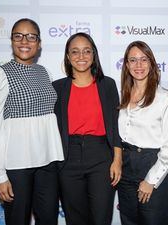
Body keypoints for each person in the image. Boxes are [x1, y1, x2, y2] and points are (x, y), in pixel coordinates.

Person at [0, 18, 64, 225]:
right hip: (17, 166)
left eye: (31, 36)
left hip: (48, 162)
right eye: (18, 36)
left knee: (49, 220)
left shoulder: (44, 72)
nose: (24, 41)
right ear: (11, 41)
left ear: (39, 43)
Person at [52, 32, 122, 225]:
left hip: (101, 158)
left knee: (101, 218)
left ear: (93, 55)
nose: (81, 57)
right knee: (75, 219)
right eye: (75, 52)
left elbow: (116, 126)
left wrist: (117, 160)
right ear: (67, 56)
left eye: (86, 51)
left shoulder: (107, 85)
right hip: (68, 160)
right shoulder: (57, 88)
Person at [117, 40, 168, 225]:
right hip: (126, 170)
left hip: (152, 165)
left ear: (152, 64)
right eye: (133, 60)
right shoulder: (124, 95)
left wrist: (151, 180)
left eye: (144, 59)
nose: (139, 65)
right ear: (126, 65)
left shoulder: (166, 100)